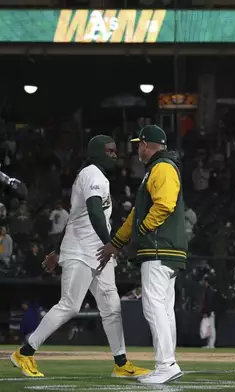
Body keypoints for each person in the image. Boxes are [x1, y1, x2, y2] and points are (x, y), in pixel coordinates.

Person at [10, 135, 150, 379]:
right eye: (110, 151)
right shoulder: (92, 173)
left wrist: (56, 250)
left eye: (116, 151)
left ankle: (121, 362)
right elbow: (95, 212)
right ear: (97, 152)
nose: (115, 155)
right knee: (70, 305)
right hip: (83, 251)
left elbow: (75, 216)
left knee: (111, 307)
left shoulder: (96, 175)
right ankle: (24, 352)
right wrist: (112, 243)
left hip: (97, 252)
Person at [97, 125, 187, 385]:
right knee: (164, 308)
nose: (137, 148)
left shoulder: (163, 167)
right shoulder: (158, 169)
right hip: (165, 249)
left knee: (154, 306)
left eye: (139, 144)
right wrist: (116, 242)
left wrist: (144, 230)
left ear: (147, 144)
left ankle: (166, 364)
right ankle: (169, 361)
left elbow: (165, 204)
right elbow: (137, 214)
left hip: (159, 247)